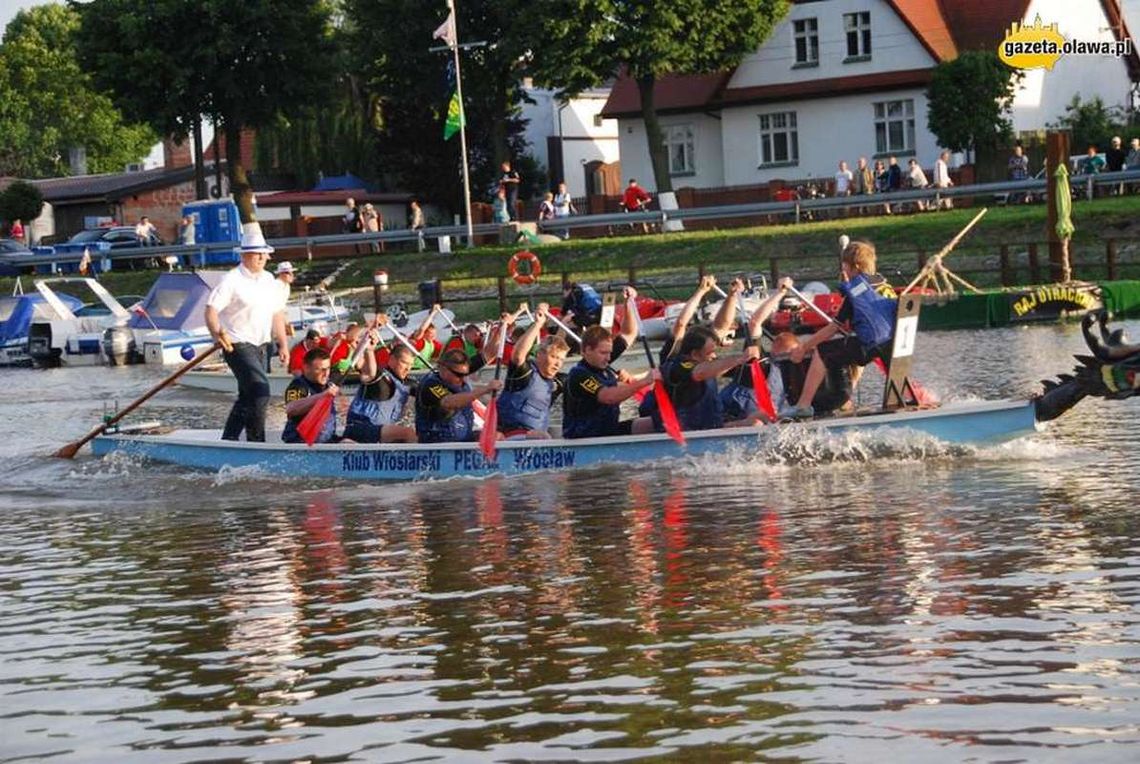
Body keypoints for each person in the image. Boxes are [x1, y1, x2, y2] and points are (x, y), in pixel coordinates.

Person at [788, 240, 897, 418]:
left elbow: (833, 328)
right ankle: (843, 401)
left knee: (822, 350)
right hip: (892, 344)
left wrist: (804, 347)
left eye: (845, 265)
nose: (843, 269)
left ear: (855, 267)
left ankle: (803, 405)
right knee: (840, 350)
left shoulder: (856, 291)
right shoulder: (884, 285)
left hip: (871, 346)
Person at [204, 226, 290, 442]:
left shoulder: (269, 279)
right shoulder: (231, 279)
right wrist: (216, 332)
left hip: (262, 344)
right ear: (244, 255)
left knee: (248, 396)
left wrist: (283, 344)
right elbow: (211, 310)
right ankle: (257, 442)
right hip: (236, 343)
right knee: (261, 391)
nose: (262, 258)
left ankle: (229, 440)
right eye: (257, 253)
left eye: (264, 253)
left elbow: (277, 313)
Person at [562, 325, 657, 439]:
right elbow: (609, 397)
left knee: (656, 423)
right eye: (603, 353)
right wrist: (645, 381)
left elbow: (629, 332)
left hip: (608, 430)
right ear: (587, 350)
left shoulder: (606, 371)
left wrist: (628, 383)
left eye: (609, 353)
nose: (608, 358)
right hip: (585, 436)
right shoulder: (579, 375)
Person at [662, 325, 761, 431]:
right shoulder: (680, 367)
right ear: (695, 354)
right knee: (755, 424)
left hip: (714, 421)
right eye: (710, 353)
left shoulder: (708, 362)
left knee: (763, 415)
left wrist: (751, 359)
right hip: (694, 428)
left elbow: (729, 368)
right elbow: (700, 373)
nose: (714, 356)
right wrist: (740, 359)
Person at [497, 303, 570, 438]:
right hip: (510, 435)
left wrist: (564, 323)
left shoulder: (559, 381)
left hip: (538, 438)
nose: (557, 364)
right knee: (542, 437)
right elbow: (518, 355)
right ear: (539, 354)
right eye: (553, 357)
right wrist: (538, 324)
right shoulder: (524, 373)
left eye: (561, 359)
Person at [414, 348, 503, 443]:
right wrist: (486, 389)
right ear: (443, 368)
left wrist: (498, 337)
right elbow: (449, 403)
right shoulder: (430, 384)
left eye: (466, 374)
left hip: (464, 441)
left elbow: (489, 353)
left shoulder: (460, 371)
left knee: (497, 436)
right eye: (459, 375)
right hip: (438, 445)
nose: (463, 379)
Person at [344, 342, 419, 444]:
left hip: (379, 432)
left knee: (414, 433)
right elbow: (359, 364)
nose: (408, 368)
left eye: (411, 365)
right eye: (404, 363)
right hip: (359, 427)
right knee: (408, 433)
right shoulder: (379, 376)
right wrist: (369, 350)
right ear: (392, 359)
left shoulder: (409, 384)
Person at [282, 347, 341, 444]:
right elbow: (291, 408)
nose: (326, 374)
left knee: (350, 443)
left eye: (328, 368)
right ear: (306, 368)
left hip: (326, 440)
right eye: (321, 370)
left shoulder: (328, 384)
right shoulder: (298, 385)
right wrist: (323, 395)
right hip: (301, 441)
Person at [409, 306, 444, 371]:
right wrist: (433, 312)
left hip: (421, 370)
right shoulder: (419, 340)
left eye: (434, 333)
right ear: (424, 334)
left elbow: (445, 351)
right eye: (431, 333)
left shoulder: (433, 344)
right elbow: (422, 329)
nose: (433, 336)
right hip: (411, 369)